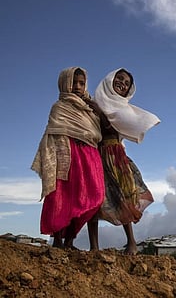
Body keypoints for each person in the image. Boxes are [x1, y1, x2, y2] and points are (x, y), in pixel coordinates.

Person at [31, 67, 105, 249]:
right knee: (62, 195)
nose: (77, 87)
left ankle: (71, 239)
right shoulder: (59, 107)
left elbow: (99, 130)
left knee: (94, 195)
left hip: (90, 155)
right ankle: (58, 240)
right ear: (65, 83)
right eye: (74, 82)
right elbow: (54, 133)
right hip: (67, 153)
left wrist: (95, 107)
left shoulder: (90, 108)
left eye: (81, 83)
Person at [89, 68, 160, 254]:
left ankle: (132, 243)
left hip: (116, 156)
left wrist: (100, 113)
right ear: (110, 80)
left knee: (124, 196)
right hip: (95, 154)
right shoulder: (94, 102)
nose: (122, 83)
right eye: (119, 79)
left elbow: (110, 127)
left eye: (127, 83)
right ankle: (94, 246)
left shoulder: (122, 108)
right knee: (94, 199)